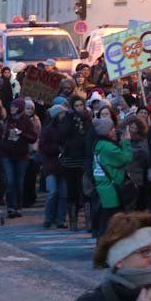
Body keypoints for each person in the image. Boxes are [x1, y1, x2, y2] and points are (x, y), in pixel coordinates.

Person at [91, 118, 134, 237]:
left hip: (104, 187)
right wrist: (126, 142)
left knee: (106, 222)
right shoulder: (107, 147)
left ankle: (103, 242)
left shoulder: (99, 145)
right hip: (111, 190)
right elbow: (126, 158)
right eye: (111, 129)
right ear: (106, 132)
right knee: (111, 223)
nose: (114, 130)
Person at [0, 98, 37, 218]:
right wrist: (2, 144)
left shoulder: (27, 121)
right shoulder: (7, 120)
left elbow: (33, 138)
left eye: (15, 107)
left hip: (21, 156)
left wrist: (22, 134)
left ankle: (18, 207)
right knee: (10, 181)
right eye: (12, 106)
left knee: (19, 182)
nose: (12, 108)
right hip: (7, 154)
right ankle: (10, 207)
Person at [60, 96, 91, 230]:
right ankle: (73, 221)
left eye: (81, 105)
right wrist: (72, 119)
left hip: (83, 159)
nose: (79, 108)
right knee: (72, 191)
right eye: (76, 105)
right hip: (70, 160)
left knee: (85, 190)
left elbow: (89, 134)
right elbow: (63, 133)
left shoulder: (87, 118)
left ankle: (89, 221)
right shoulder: (67, 118)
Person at [40, 105, 68, 229]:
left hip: (63, 165)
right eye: (61, 114)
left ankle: (60, 219)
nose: (64, 116)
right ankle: (48, 218)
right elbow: (43, 147)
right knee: (52, 192)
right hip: (51, 164)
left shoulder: (67, 128)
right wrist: (58, 148)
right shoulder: (48, 130)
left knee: (63, 193)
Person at [124, 115, 151, 211]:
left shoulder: (142, 141)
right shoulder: (122, 139)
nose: (133, 130)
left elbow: (146, 157)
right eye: (131, 127)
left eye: (135, 128)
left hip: (137, 176)